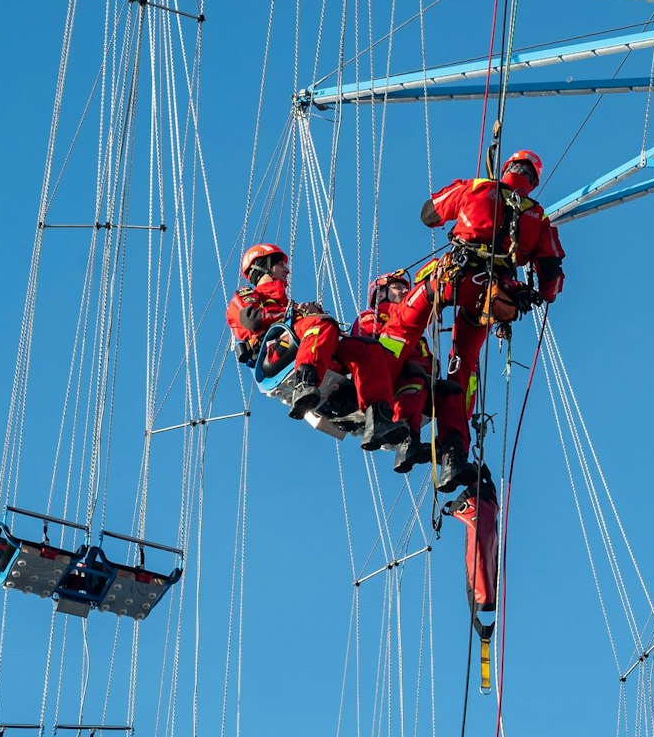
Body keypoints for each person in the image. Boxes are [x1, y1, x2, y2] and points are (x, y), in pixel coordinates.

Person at [406, 150, 565, 491]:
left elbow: (429, 214)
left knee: (403, 332)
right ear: (533, 180)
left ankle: (396, 422)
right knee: (462, 368)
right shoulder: (537, 215)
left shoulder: (477, 187)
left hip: (454, 278)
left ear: (507, 167)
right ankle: (453, 456)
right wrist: (540, 293)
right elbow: (551, 276)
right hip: (489, 298)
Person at [224, 244, 406, 450]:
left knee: (367, 348)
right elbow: (252, 319)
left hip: (304, 344)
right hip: (274, 350)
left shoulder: (289, 304)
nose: (287, 270)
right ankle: (305, 383)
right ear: (263, 266)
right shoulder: (247, 295)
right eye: (281, 264)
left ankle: (378, 417)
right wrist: (300, 313)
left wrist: (305, 312)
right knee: (322, 323)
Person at [355, 269, 436, 474]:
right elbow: (368, 346)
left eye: (406, 288)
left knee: (451, 391)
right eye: (398, 287)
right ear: (381, 294)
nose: (404, 291)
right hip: (381, 375)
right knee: (413, 370)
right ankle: (384, 424)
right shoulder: (370, 318)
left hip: (413, 382)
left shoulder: (417, 331)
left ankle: (412, 443)